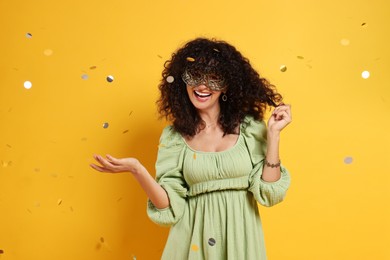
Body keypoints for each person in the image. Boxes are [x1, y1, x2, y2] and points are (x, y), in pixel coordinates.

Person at [90, 37, 292, 259]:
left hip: (241, 241)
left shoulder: (250, 129)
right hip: (192, 243)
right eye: (194, 76)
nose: (202, 85)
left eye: (213, 78)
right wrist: (137, 169)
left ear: (226, 85)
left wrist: (273, 135)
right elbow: (169, 206)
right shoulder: (174, 138)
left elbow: (269, 193)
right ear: (182, 82)